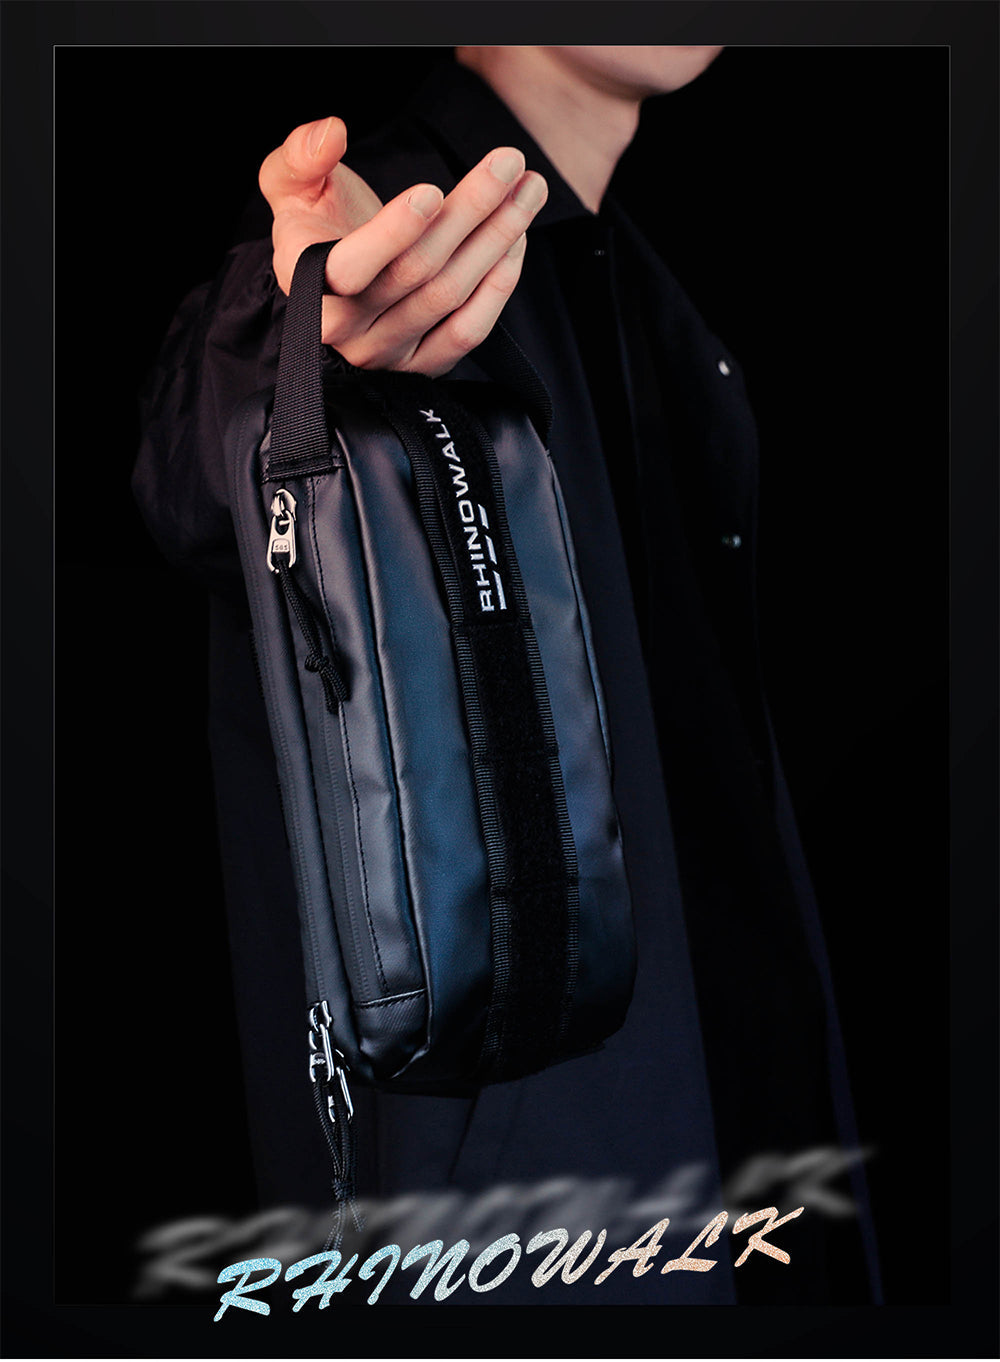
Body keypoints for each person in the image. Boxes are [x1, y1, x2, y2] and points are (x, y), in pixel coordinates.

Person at [134, 45, 882, 1305]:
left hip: (740, 1158)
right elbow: (202, 450)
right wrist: (303, 324)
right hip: (528, 1219)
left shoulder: (646, 292)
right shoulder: (383, 222)